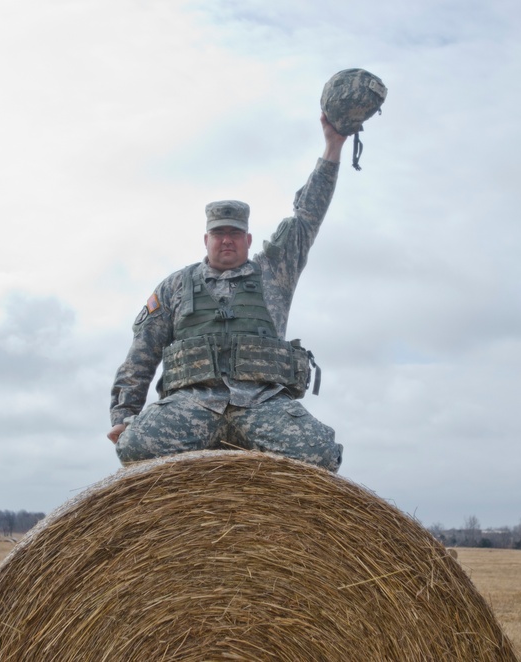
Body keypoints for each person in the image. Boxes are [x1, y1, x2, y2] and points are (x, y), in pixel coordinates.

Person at [107, 113, 347, 471]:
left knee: (320, 454)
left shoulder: (274, 273)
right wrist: (124, 413)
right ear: (206, 239)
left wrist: (333, 146)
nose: (227, 240)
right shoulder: (175, 286)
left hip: (263, 403)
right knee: (135, 448)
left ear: (248, 239)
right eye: (219, 233)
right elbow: (142, 353)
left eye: (234, 234)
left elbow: (306, 218)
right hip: (192, 404)